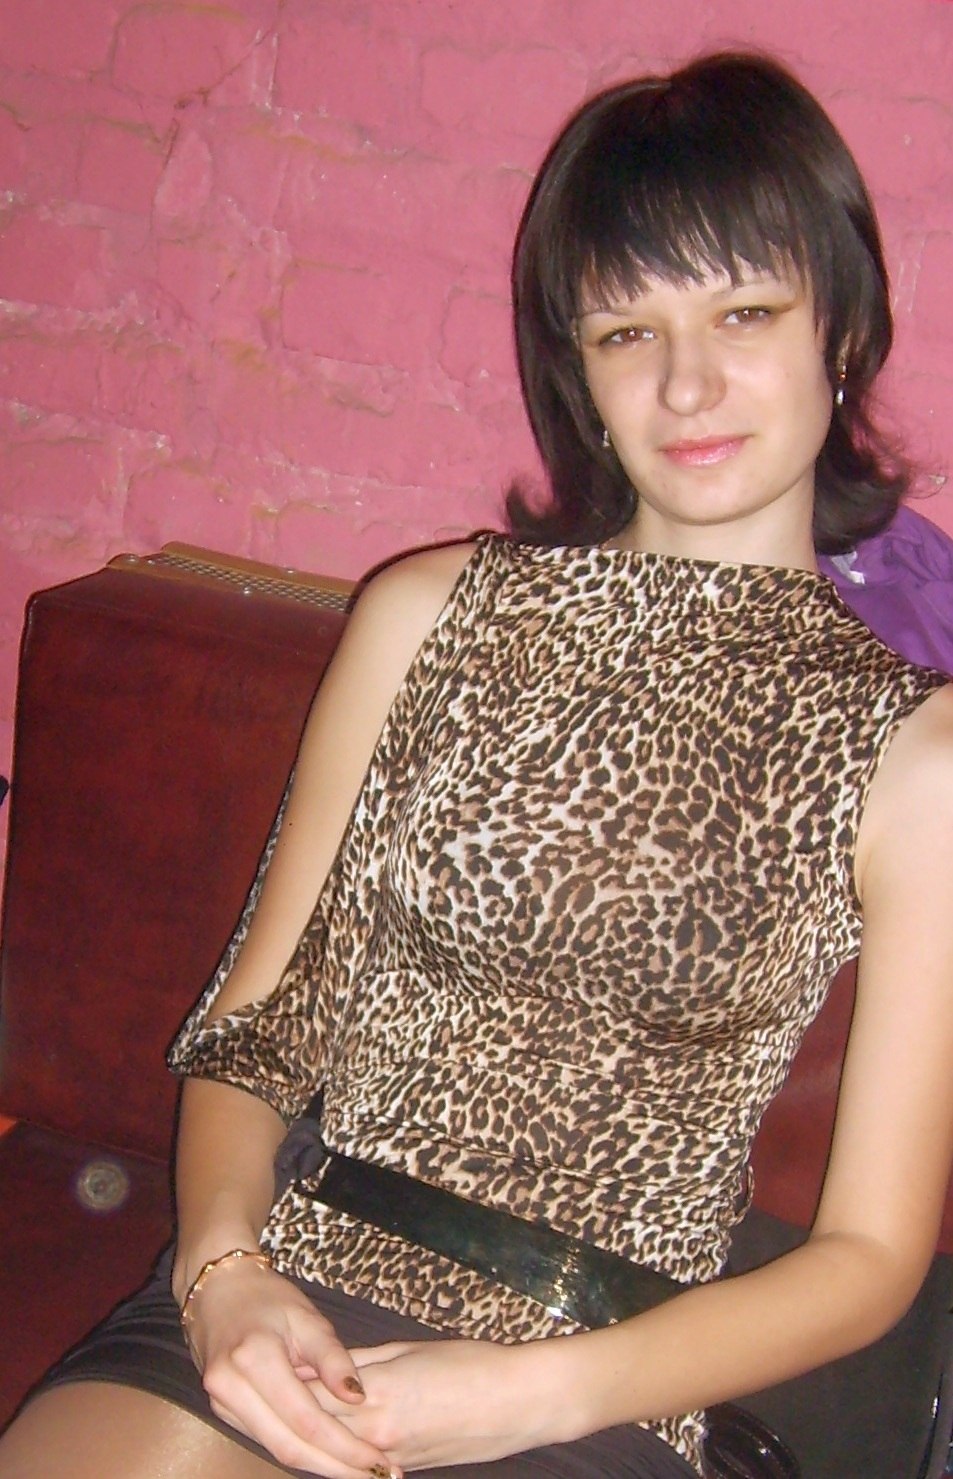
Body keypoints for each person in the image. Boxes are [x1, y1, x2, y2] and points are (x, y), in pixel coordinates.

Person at [2, 49, 952, 1479]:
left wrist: (531, 1396)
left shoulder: (911, 750)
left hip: (595, 1372)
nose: (687, 382)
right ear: (578, 368)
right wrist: (221, 1274)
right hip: (290, 1275)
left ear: (843, 327)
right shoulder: (424, 613)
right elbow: (254, 1026)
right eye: (626, 332)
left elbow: (871, 1257)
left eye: (744, 313)